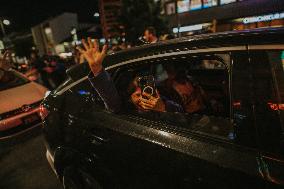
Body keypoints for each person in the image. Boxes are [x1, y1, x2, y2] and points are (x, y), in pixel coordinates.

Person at [76, 38, 183, 113]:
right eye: (137, 84)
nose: (140, 91)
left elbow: (182, 113)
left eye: (145, 83)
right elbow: (113, 104)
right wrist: (97, 70)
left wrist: (163, 108)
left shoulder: (159, 98)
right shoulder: (125, 106)